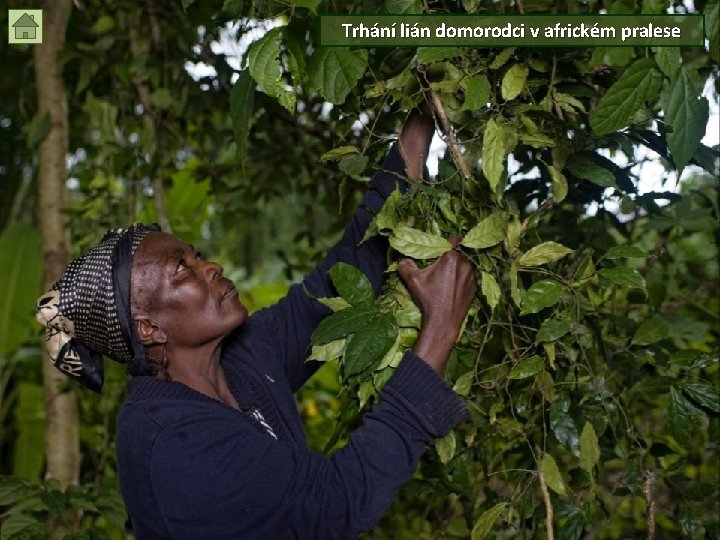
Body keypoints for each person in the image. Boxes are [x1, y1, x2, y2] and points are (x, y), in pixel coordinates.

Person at [36, 108, 477, 539]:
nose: (211, 266)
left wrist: (417, 127)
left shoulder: (242, 356)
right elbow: (336, 503)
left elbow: (334, 286)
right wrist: (440, 329)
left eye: (196, 255)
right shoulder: (168, 440)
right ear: (149, 328)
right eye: (181, 270)